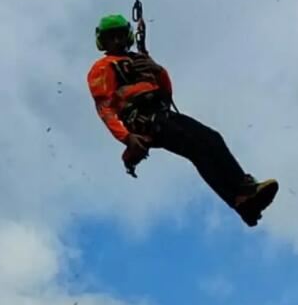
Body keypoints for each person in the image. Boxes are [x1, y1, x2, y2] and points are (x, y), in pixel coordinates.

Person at [86, 14, 278, 227]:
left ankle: (245, 189)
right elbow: (105, 109)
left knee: (212, 138)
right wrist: (127, 137)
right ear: (103, 41)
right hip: (144, 119)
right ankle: (240, 201)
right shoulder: (103, 67)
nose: (117, 41)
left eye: (120, 36)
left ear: (128, 36)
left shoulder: (138, 60)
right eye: (112, 37)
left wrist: (157, 70)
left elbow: (166, 92)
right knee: (196, 148)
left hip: (162, 113)